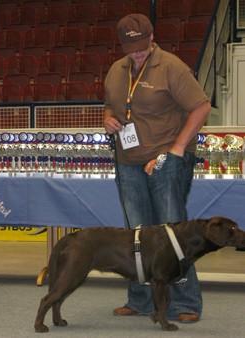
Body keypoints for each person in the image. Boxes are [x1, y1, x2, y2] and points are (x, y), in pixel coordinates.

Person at [103, 13, 211, 323]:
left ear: (151, 38)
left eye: (141, 45)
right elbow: (111, 104)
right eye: (129, 46)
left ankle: (185, 303)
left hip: (165, 160)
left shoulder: (172, 66)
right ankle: (140, 300)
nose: (136, 52)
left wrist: (177, 149)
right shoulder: (116, 69)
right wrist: (108, 118)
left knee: (172, 232)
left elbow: (201, 105)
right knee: (137, 234)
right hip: (128, 161)